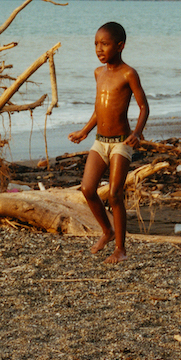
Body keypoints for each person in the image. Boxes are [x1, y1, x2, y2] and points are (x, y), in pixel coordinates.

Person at [68, 21, 150, 263]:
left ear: (120, 46)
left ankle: (120, 250)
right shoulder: (98, 73)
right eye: (96, 44)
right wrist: (84, 131)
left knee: (114, 194)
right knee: (87, 189)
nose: (99, 49)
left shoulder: (128, 74)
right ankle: (107, 230)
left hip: (121, 143)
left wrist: (137, 133)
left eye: (104, 44)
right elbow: (99, 109)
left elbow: (143, 107)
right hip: (100, 141)